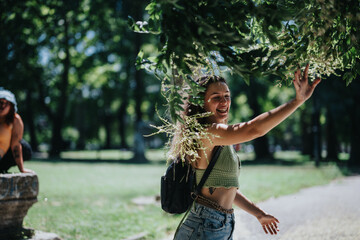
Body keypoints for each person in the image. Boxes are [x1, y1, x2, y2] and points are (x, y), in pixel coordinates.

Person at [171, 64, 321, 239]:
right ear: (201, 102)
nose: (224, 102)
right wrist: (296, 102)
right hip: (204, 226)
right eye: (216, 97)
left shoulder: (218, 137)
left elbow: (226, 189)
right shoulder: (206, 132)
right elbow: (253, 129)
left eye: (227, 96)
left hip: (218, 223)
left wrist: (258, 214)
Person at [0, 88, 33, 174]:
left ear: (11, 105)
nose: (2, 106)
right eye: (0, 102)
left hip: (3, 155)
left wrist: (21, 169)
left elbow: (16, 146)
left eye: (5, 103)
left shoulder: (15, 120)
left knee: (25, 148)